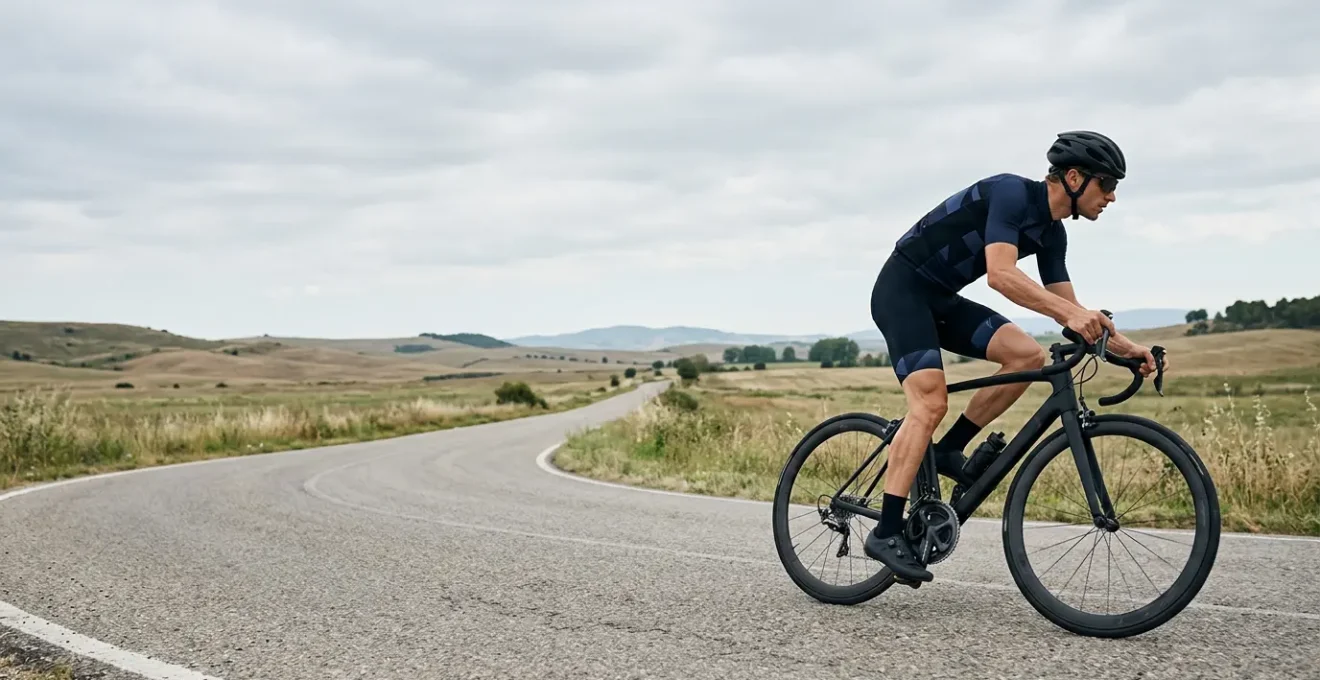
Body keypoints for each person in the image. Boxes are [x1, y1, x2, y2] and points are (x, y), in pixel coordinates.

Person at [862, 130, 1167, 583]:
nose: (1113, 197)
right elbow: (1000, 275)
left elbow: (1072, 314)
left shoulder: (1053, 235)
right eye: (1107, 185)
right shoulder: (1010, 193)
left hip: (942, 299)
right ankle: (885, 531)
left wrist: (1126, 349)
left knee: (1026, 355)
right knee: (928, 403)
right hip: (902, 291)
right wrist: (1072, 313)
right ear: (1075, 177)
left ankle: (948, 450)